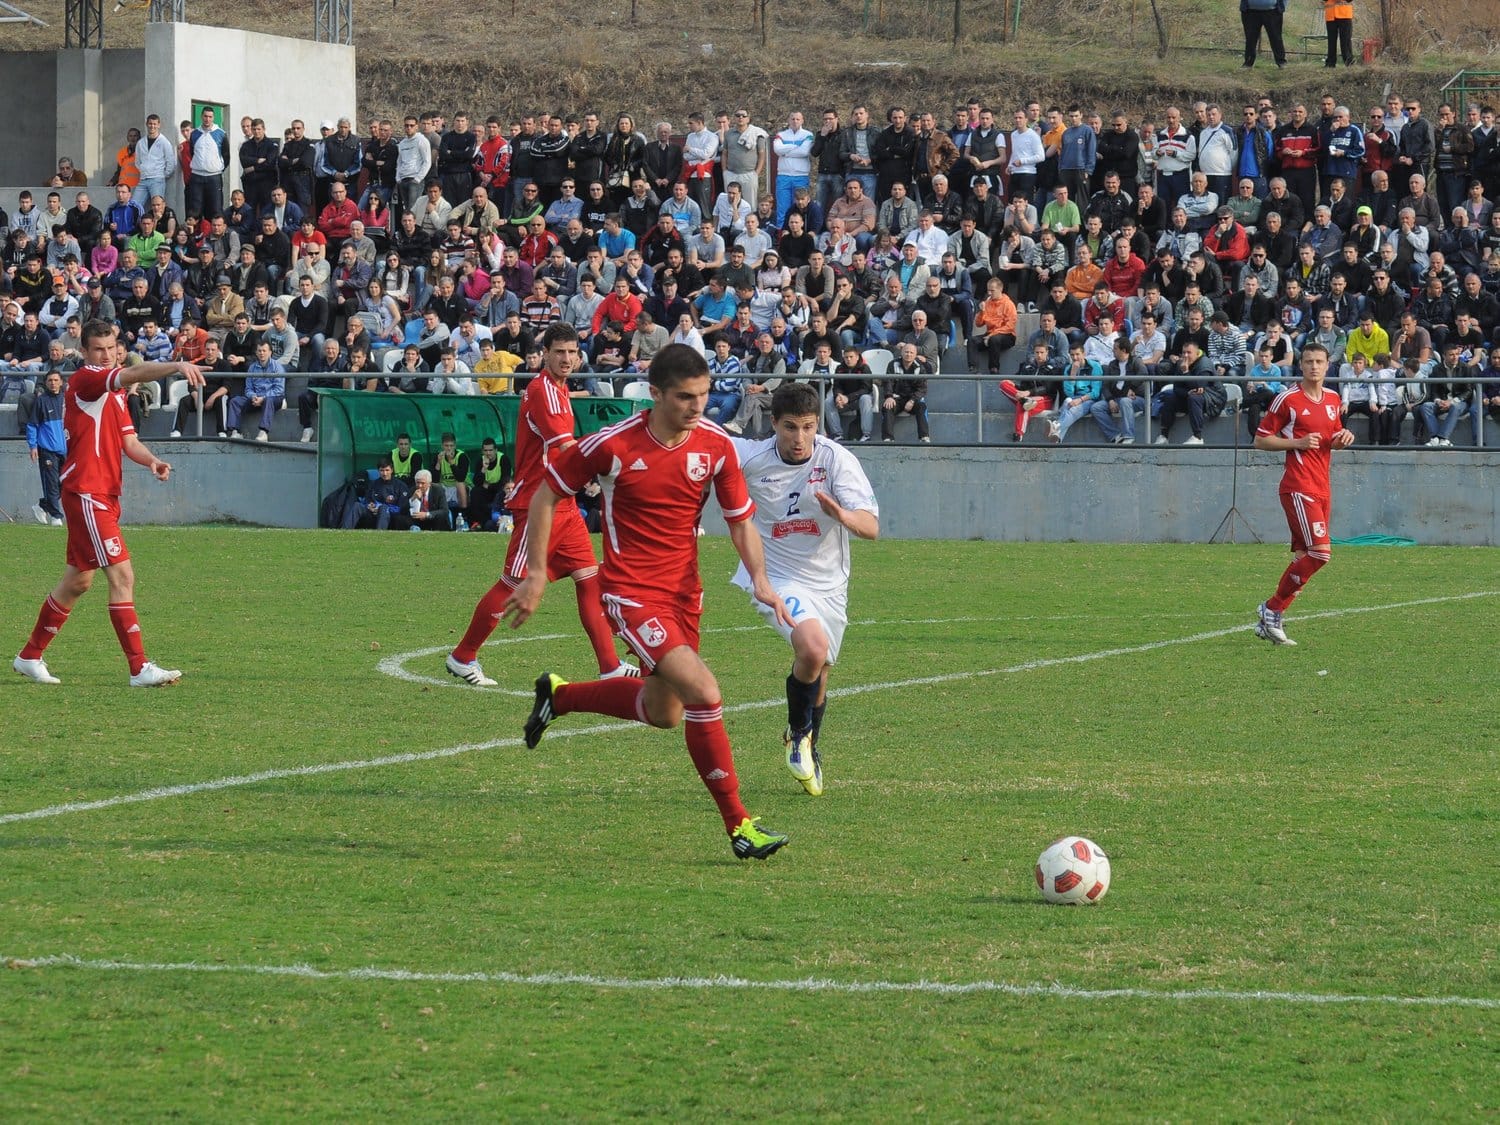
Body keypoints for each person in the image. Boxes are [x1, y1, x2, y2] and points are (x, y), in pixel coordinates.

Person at [502, 343, 794, 861]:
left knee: (665, 713)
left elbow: (741, 518)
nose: (697, 406)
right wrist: (539, 574)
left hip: (685, 594)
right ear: (655, 393)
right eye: (685, 397)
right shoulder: (611, 446)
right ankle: (740, 826)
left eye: (703, 395)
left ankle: (559, 697)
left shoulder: (716, 446)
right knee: (705, 693)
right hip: (630, 593)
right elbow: (548, 493)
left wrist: (762, 580)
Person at [14, 320, 203, 687]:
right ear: (84, 352)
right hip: (87, 492)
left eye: (111, 346)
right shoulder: (87, 379)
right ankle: (139, 667)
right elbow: (132, 372)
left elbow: (128, 441)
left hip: (102, 494)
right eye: (98, 348)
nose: (106, 354)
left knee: (78, 581)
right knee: (122, 575)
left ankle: (30, 656)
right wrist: (177, 365)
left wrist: (152, 461)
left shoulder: (116, 395)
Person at [446, 323, 634, 687]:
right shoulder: (544, 391)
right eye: (559, 352)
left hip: (562, 504)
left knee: (589, 579)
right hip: (540, 504)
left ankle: (609, 666)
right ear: (544, 354)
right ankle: (462, 656)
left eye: (572, 352)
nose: (566, 359)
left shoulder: (558, 390)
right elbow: (567, 449)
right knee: (512, 584)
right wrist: (613, 467)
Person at [729, 381, 879, 796]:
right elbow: (706, 445)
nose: (800, 439)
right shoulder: (752, 458)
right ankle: (799, 736)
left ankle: (811, 744)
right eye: (790, 427)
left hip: (830, 581)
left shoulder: (836, 461)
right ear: (773, 423)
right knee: (811, 649)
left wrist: (841, 513)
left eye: (809, 427)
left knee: (822, 668)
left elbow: (871, 528)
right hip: (775, 575)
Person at [1252, 342, 1355, 645]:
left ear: (1327, 366)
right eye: (1308, 361)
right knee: (1321, 553)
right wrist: (1295, 443)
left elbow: (1331, 437)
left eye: (1319, 361)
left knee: (1304, 556)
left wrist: (1343, 438)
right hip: (1298, 487)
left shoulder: (1334, 399)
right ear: (1301, 365)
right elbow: (1261, 440)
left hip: (1322, 486)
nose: (1314, 366)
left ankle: (1270, 621)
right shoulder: (1287, 399)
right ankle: (1271, 608)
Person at [25, 369, 67, 525]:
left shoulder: (66, 400)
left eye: (56, 380)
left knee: (67, 483)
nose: (53, 383)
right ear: (46, 382)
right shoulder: (41, 401)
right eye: (50, 380)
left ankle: (42, 505)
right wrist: (33, 446)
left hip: (66, 450)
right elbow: (32, 425)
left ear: (61, 382)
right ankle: (56, 516)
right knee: (51, 483)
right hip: (47, 449)